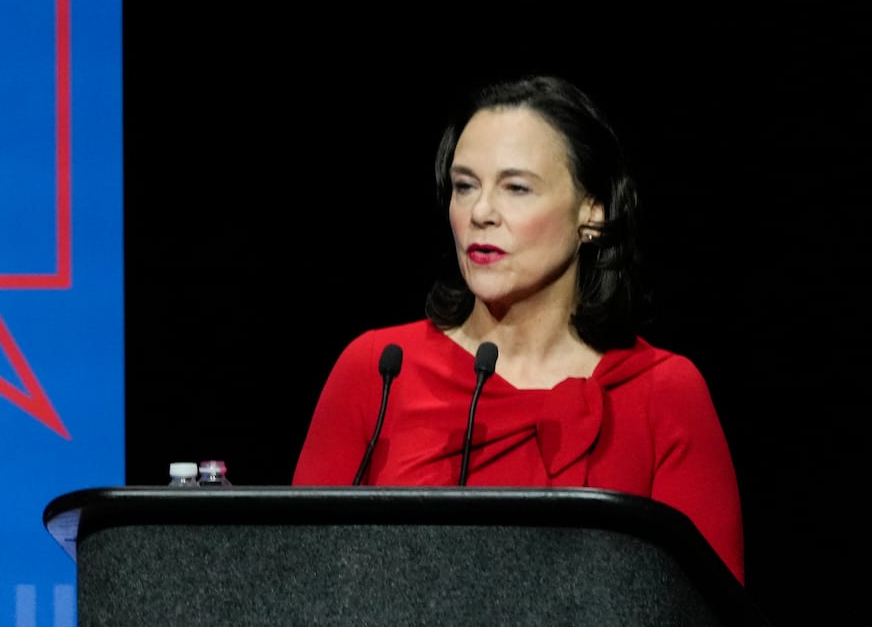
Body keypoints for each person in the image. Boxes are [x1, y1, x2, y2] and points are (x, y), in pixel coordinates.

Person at [291, 75, 745, 583]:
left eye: (516, 188)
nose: (480, 213)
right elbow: (302, 584)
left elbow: (706, 609)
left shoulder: (664, 392)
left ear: (592, 212)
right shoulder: (377, 370)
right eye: (465, 186)